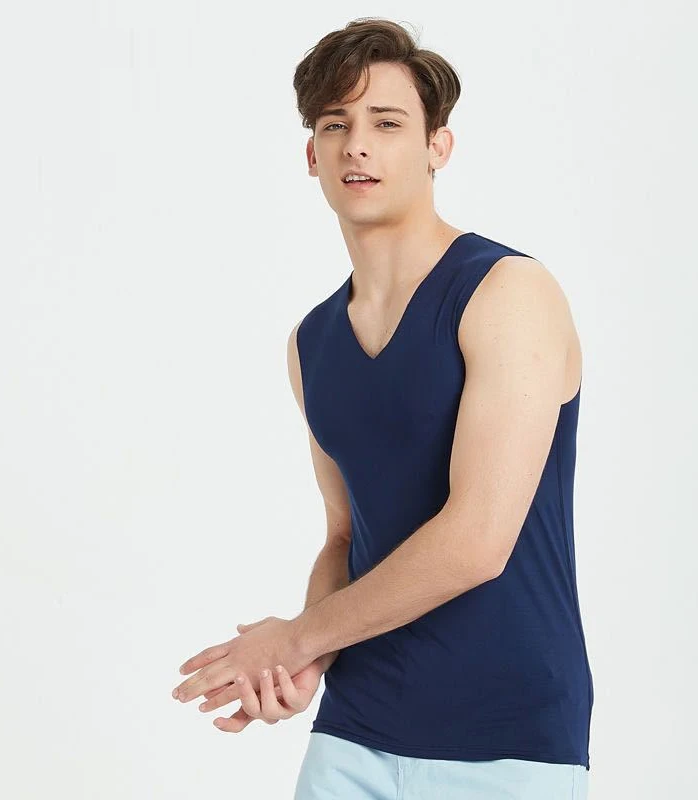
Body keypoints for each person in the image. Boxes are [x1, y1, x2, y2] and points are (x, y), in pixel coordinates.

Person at [180, 17, 594, 799]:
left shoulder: (508, 292)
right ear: (312, 154)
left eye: (387, 123)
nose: (357, 146)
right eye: (335, 125)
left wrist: (296, 637)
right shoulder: (312, 343)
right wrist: (308, 664)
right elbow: (344, 537)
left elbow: (478, 541)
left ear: (439, 146)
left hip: (508, 739)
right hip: (356, 730)